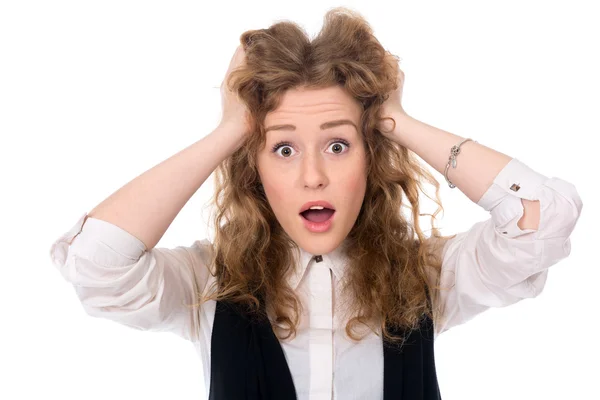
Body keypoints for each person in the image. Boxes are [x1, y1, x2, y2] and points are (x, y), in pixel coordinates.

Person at [49, 7, 582, 400]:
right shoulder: (206, 282)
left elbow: (541, 217)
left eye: (338, 144)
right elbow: (96, 264)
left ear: (370, 157)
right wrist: (230, 130)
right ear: (253, 167)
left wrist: (397, 122)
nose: (313, 176)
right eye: (282, 148)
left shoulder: (428, 275)